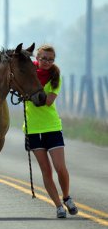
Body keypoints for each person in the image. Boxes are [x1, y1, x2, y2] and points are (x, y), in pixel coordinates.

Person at [23, 44, 78, 218]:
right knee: (46, 171)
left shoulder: (55, 77)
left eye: (50, 59)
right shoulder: (27, 75)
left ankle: (67, 196)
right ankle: (58, 206)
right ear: (36, 59)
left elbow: (47, 101)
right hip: (32, 130)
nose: (47, 62)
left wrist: (29, 94)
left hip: (51, 127)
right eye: (43, 58)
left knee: (60, 167)